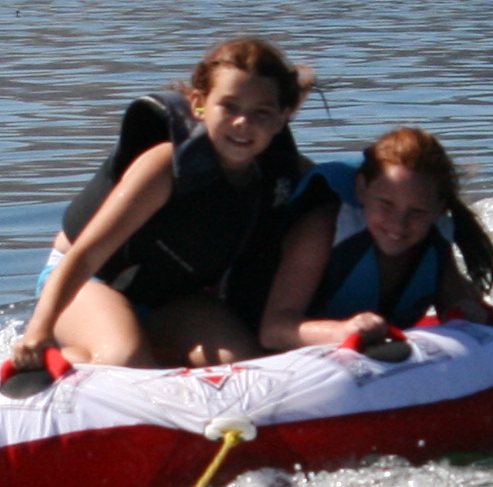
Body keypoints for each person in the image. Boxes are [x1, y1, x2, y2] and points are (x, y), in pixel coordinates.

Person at [17, 37, 311, 370]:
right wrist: (38, 329)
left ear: (282, 118)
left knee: (240, 365)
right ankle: (63, 361)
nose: (243, 122)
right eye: (229, 106)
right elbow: (85, 255)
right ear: (199, 104)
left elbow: (349, 191)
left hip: (172, 298)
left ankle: (150, 350)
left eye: (261, 112)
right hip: (87, 280)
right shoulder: (164, 167)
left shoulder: (282, 176)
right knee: (124, 358)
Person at [257, 124, 493, 352]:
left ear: (439, 209)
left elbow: (455, 299)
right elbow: (273, 331)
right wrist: (342, 331)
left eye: (416, 212)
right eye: (386, 204)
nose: (399, 224)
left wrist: (467, 311)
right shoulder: (323, 230)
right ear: (362, 189)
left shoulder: (434, 238)